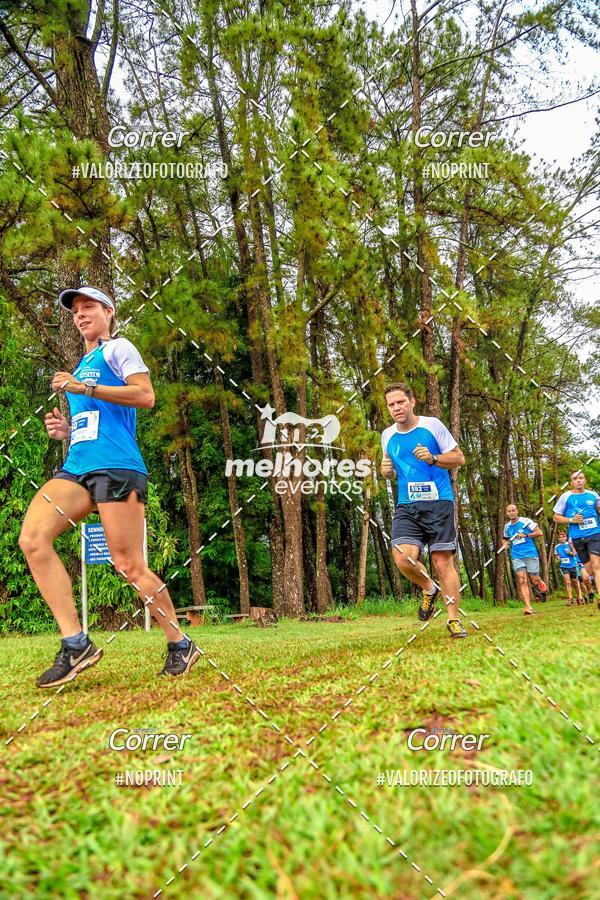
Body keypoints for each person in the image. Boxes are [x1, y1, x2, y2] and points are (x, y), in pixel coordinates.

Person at [18, 286, 200, 688]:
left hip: (118, 468)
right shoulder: (81, 364)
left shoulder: (118, 349)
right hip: (78, 467)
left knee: (129, 565)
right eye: (76, 311)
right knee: (32, 539)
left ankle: (179, 642)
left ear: (108, 312)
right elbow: (98, 421)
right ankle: (76, 642)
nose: (80, 315)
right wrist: (66, 431)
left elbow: (145, 396)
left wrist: (84, 389)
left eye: (88, 308)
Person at [380, 382, 467, 638]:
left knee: (443, 562)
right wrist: (385, 472)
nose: (396, 408)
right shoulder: (387, 435)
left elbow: (459, 458)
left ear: (412, 401)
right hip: (407, 505)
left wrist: (432, 458)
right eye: (391, 404)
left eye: (401, 402)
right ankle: (429, 588)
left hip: (439, 503)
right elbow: (390, 468)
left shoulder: (432, 426)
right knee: (402, 558)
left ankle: (453, 620)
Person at [553, 471, 600, 609]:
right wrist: (571, 520)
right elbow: (556, 517)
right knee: (589, 571)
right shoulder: (566, 497)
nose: (578, 481)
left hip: (595, 533)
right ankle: (591, 590)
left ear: (585, 480)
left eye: (581, 478)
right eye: (575, 479)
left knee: (597, 566)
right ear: (571, 482)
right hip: (578, 538)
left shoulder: (593, 495)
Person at [502, 504, 545, 615]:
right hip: (516, 555)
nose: (511, 512)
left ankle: (539, 581)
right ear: (507, 513)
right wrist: (505, 544)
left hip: (530, 553)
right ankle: (528, 607)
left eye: (513, 510)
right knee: (522, 579)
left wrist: (525, 535)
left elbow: (539, 533)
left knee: (534, 579)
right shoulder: (507, 527)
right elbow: (505, 539)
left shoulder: (526, 521)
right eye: (509, 511)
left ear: (517, 511)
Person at [554, 531, 583, 605]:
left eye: (563, 537)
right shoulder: (557, 547)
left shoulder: (570, 544)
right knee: (567, 582)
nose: (561, 538)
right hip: (564, 566)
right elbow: (557, 555)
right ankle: (570, 599)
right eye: (560, 537)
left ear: (566, 537)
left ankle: (580, 597)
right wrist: (557, 559)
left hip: (573, 565)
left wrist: (570, 553)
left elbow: (576, 554)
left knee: (576, 582)